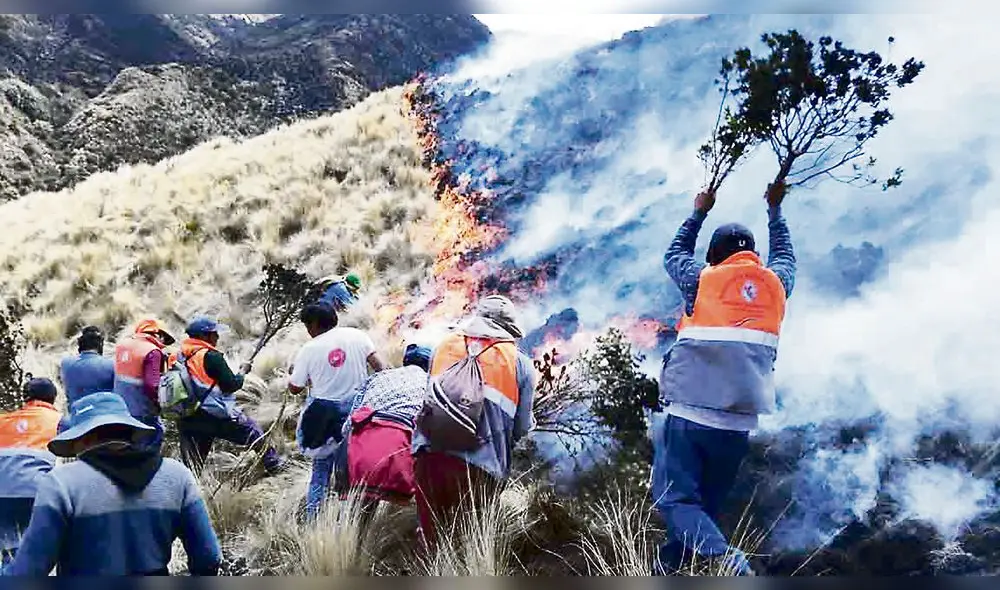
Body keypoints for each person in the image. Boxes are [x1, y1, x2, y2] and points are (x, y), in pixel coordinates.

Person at [652, 181, 796, 576]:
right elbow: (786, 256)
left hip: (691, 413)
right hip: (738, 424)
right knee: (702, 509)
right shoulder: (777, 284)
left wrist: (699, 210)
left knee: (673, 500)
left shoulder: (703, 279)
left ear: (715, 256)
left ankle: (726, 560)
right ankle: (667, 569)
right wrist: (775, 211)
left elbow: (674, 254)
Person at [3, 392, 222, 576]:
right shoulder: (177, 476)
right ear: (130, 432)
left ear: (83, 438)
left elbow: (29, 572)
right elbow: (209, 558)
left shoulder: (61, 483)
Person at [410, 295, 537, 549]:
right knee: (468, 548)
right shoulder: (520, 364)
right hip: (480, 469)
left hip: (429, 459)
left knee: (432, 545)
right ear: (508, 329)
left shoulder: (444, 347)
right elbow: (522, 428)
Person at [287, 302, 386, 520]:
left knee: (321, 469)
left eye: (307, 325)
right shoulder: (357, 336)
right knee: (354, 467)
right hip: (358, 411)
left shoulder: (309, 349)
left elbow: (295, 388)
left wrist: (291, 375)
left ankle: (314, 518)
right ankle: (353, 518)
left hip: (324, 416)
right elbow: (380, 368)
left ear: (313, 324)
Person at [175, 316, 284, 476]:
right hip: (213, 415)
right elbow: (231, 385)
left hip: (186, 417)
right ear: (204, 336)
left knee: (192, 466)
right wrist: (242, 373)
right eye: (214, 334)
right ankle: (275, 467)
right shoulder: (211, 356)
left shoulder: (178, 356)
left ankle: (185, 495)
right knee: (253, 433)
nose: (217, 337)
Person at [336, 343, 431, 514]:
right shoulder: (430, 384)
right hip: (399, 453)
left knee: (360, 507)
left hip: (359, 449)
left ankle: (354, 537)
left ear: (405, 361)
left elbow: (351, 419)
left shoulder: (377, 378)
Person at [0, 379, 62, 567]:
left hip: (2, 492)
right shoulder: (59, 420)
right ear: (53, 398)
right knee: (42, 551)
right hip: (36, 491)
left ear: (25, 398)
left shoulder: (3, 420)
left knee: (10, 553)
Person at [113, 318, 176, 450]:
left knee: (125, 444)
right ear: (157, 334)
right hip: (141, 409)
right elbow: (152, 385)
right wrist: (162, 405)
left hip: (119, 406)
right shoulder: (152, 351)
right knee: (152, 439)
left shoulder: (122, 345)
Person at [59, 326, 115, 407]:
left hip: (75, 413)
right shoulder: (111, 365)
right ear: (100, 344)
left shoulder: (65, 363)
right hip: (103, 412)